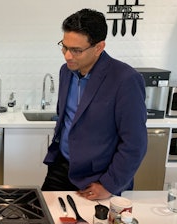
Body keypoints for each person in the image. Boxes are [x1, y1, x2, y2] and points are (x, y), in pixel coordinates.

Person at [41, 8, 147, 200]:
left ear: (99, 47)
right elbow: (65, 116)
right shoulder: (66, 72)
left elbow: (135, 143)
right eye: (64, 47)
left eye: (76, 50)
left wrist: (109, 185)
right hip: (61, 166)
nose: (67, 56)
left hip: (98, 177)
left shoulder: (125, 79)